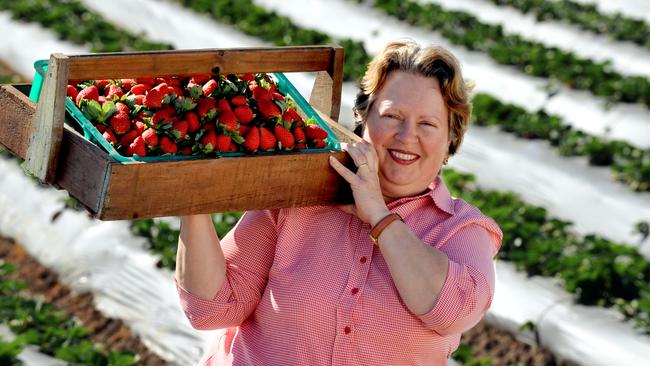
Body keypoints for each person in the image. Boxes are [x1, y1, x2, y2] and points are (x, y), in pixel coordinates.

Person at [175, 40, 502, 366]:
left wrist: (378, 215)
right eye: (392, 116)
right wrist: (193, 199)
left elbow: (452, 311)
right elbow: (213, 308)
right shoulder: (300, 198)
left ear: (450, 141)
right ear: (364, 119)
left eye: (427, 124)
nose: (405, 136)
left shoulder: (461, 230)